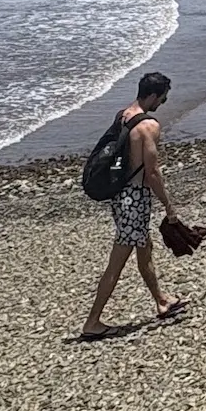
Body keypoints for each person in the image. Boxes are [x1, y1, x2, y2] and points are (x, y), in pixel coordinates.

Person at [76, 71, 188, 338]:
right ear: (152, 96)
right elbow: (152, 172)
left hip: (119, 195)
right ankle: (92, 322)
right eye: (162, 97)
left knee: (144, 247)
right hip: (135, 198)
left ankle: (161, 300)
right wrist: (169, 206)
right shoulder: (148, 126)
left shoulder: (123, 115)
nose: (163, 102)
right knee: (117, 262)